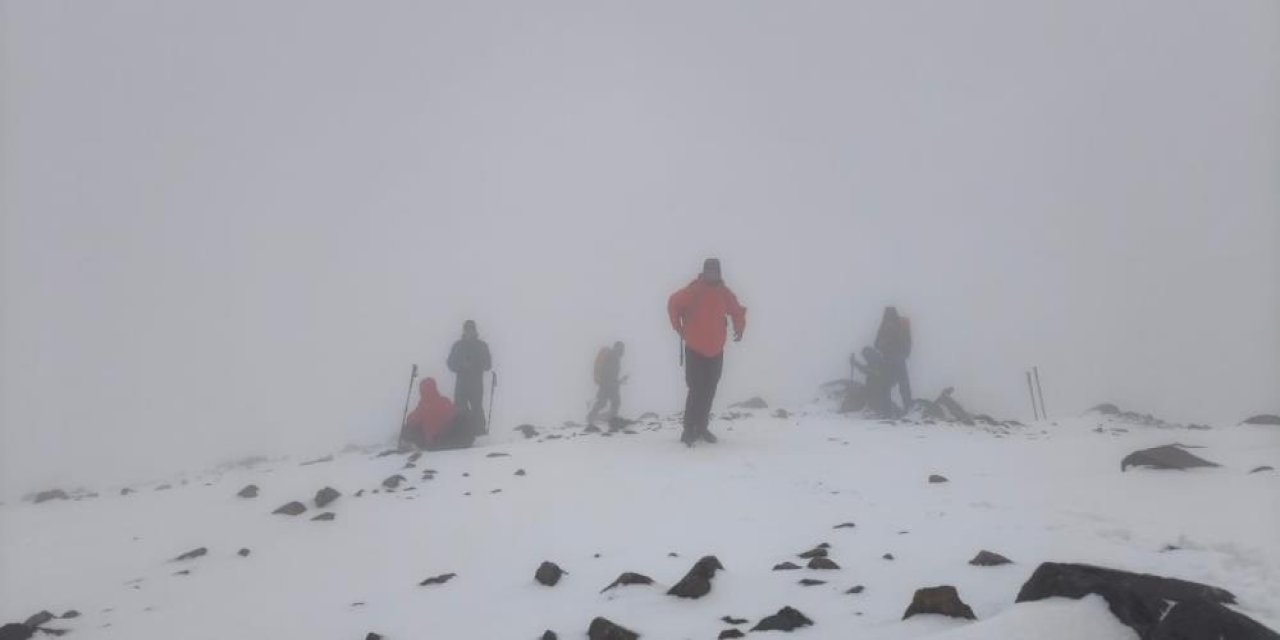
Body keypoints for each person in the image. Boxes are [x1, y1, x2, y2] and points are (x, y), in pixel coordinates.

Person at [668, 258, 747, 446]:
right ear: (704, 272)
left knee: (710, 390)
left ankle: (702, 427)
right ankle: (689, 429)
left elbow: (737, 311)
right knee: (696, 390)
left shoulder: (724, 293)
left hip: (716, 350)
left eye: (715, 271)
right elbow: (673, 303)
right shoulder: (695, 290)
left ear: (719, 272)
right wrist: (677, 327)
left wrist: (740, 326)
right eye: (709, 271)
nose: (712, 274)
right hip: (695, 349)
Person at [401, 377, 477, 450]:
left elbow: (410, 420)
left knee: (408, 428)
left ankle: (405, 443)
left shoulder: (422, 408)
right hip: (448, 438)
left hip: (434, 444)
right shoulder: (445, 401)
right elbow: (454, 413)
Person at [447, 319, 492, 433]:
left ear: (475, 330)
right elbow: (450, 364)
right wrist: (462, 366)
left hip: (476, 383)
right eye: (467, 329)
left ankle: (480, 433)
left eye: (471, 329)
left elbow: (488, 365)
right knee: (460, 408)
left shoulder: (481, 346)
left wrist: (475, 364)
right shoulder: (458, 346)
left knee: (477, 407)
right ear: (464, 330)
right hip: (461, 383)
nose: (469, 332)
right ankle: (462, 432)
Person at [874, 306, 912, 416]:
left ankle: (887, 410)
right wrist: (904, 354)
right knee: (902, 385)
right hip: (896, 359)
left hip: (890, 359)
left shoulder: (885, 325)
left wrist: (883, 345)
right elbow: (907, 343)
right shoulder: (900, 325)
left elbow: (876, 343)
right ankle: (907, 409)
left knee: (887, 386)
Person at [850, 347, 898, 417]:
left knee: (883, 396)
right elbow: (868, 370)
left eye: (866, 356)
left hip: (884, 382)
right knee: (883, 396)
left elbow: (871, 371)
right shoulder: (874, 360)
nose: (865, 358)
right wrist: (856, 364)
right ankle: (885, 411)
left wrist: (856, 364)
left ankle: (886, 412)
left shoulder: (877, 360)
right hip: (884, 382)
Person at [587, 341, 627, 427]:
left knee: (603, 402)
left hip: (607, 384)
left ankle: (593, 417)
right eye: (622, 349)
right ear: (618, 348)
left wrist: (618, 381)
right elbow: (610, 372)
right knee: (614, 402)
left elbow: (611, 373)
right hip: (608, 384)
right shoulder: (613, 356)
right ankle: (609, 419)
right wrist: (613, 382)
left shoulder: (613, 356)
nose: (623, 351)